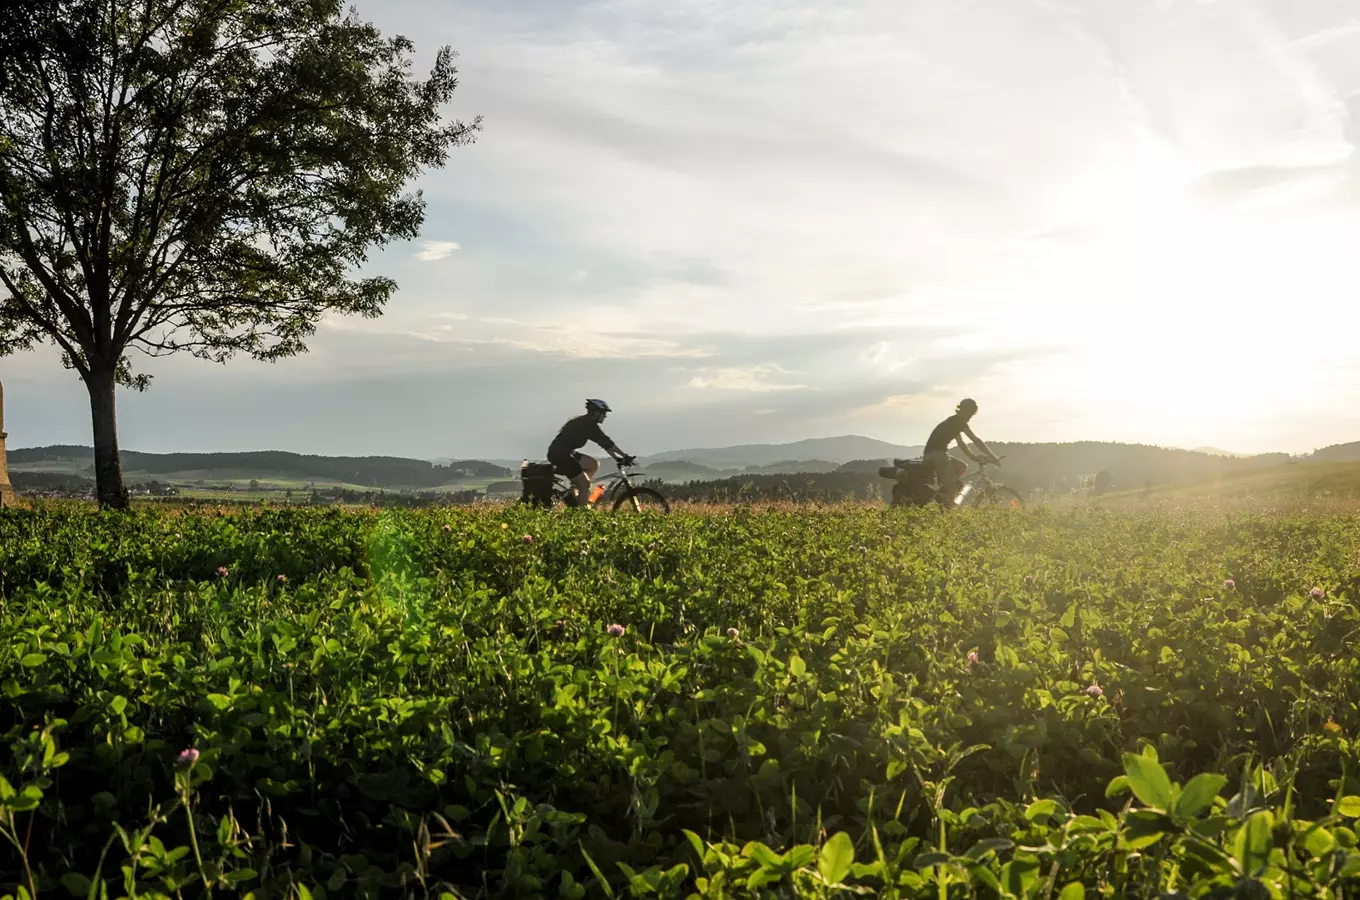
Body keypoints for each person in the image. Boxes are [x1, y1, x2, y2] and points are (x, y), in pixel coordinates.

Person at [547, 399, 634, 507]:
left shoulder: (586, 422)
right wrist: (624, 456)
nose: (605, 416)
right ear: (596, 413)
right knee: (584, 484)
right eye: (604, 413)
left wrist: (618, 458)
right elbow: (606, 443)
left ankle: (576, 490)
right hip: (560, 455)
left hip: (565, 452)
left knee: (593, 464)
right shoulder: (588, 425)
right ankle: (581, 514)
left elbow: (605, 444)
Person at [923, 398, 999, 503]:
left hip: (934, 453)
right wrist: (993, 457)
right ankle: (950, 510)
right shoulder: (959, 421)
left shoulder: (954, 421)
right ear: (966, 410)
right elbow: (975, 440)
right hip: (937, 454)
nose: (970, 417)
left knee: (962, 467)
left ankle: (944, 492)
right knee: (952, 485)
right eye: (971, 413)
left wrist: (973, 458)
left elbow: (961, 443)